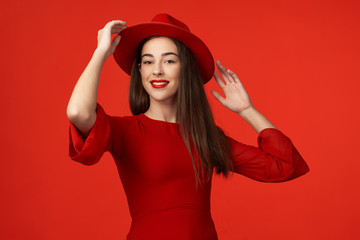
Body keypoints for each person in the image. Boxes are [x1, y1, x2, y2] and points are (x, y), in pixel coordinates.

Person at [67, 13, 310, 240]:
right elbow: (77, 112)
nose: (157, 70)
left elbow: (286, 166)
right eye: (148, 62)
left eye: (169, 60)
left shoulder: (205, 137)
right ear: (139, 71)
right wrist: (100, 53)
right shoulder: (125, 131)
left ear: (187, 68)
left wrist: (247, 110)